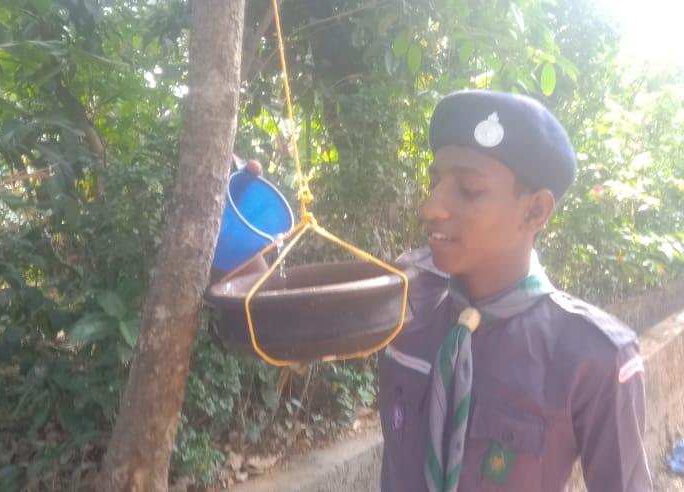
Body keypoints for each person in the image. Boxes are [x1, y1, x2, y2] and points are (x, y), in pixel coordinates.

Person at [233, 90, 651, 491]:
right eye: (435, 182)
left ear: (534, 211)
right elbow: (283, 325)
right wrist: (235, 222)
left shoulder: (592, 357)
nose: (430, 207)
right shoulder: (406, 295)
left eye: (468, 190)